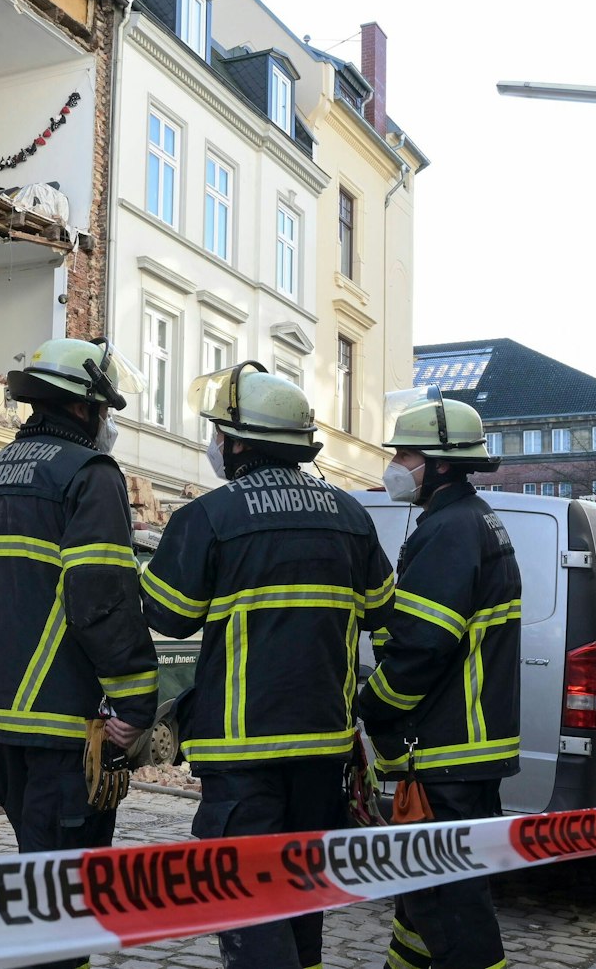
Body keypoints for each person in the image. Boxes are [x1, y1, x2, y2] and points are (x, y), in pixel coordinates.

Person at [140, 362, 393, 969]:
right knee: (302, 889)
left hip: (242, 752)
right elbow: (387, 615)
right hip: (321, 751)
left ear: (237, 442)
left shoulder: (210, 517)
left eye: (218, 434)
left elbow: (169, 616)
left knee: (249, 901)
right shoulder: (352, 518)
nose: (213, 445)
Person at [0, 338, 157, 969]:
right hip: (71, 729)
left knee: (39, 873)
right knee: (65, 892)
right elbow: (102, 598)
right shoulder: (89, 476)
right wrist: (138, 698)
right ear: (86, 410)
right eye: (106, 411)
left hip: (5, 725)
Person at [352, 389, 519, 969]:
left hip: (446, 748)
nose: (396, 464)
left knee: (451, 904)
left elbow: (421, 646)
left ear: (442, 463)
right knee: (422, 894)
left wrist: (372, 703)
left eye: (406, 454)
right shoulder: (469, 520)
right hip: (464, 748)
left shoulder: (449, 530)